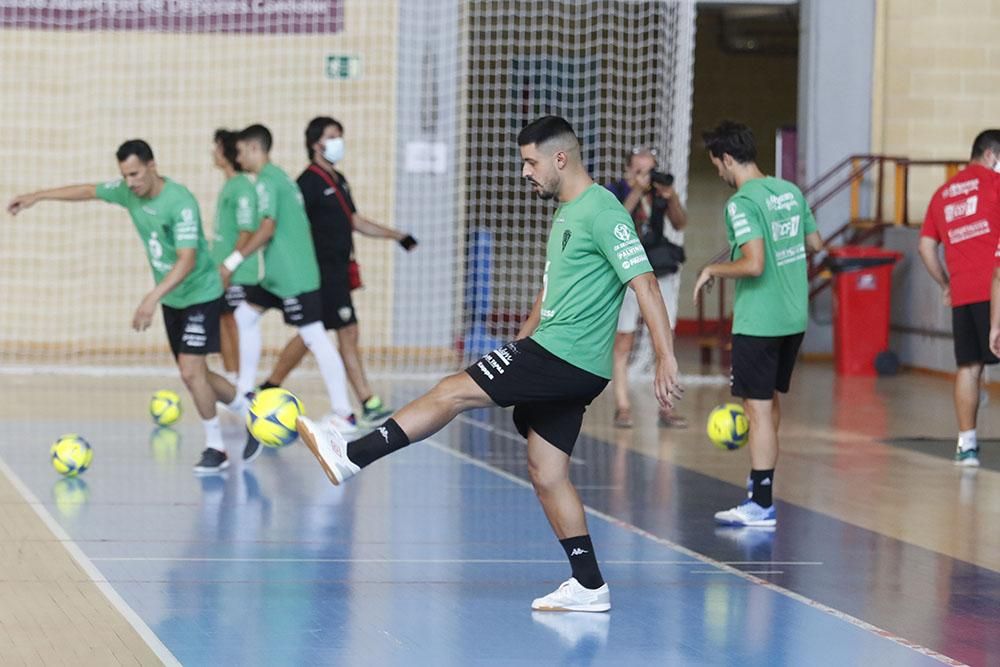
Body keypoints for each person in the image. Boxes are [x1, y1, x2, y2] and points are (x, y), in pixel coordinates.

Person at [296, 115, 683, 612]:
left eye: (530, 162)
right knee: (546, 472)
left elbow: (644, 283)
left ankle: (351, 456)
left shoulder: (602, 210)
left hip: (566, 356)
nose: (525, 172)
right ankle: (589, 585)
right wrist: (516, 345)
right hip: (560, 357)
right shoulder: (567, 211)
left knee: (451, 391)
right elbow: (550, 296)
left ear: (560, 158)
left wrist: (666, 357)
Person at [7, 140, 251, 473]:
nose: (131, 182)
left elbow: (187, 259)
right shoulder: (128, 193)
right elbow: (87, 190)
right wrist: (38, 196)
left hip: (200, 294)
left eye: (135, 174)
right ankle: (254, 414)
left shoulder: (179, 202)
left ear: (152, 166)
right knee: (200, 374)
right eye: (125, 176)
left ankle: (216, 448)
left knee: (190, 371)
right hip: (174, 299)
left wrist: (150, 297)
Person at [694, 121, 822, 528]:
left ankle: (762, 504)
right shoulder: (790, 192)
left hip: (760, 320)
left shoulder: (741, 203)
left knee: (757, 408)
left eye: (717, 165)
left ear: (728, 159)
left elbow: (754, 263)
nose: (718, 172)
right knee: (767, 403)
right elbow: (816, 245)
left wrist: (714, 268)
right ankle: (759, 484)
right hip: (793, 316)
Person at [258, 117, 417, 424]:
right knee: (346, 331)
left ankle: (268, 386)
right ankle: (367, 402)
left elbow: (354, 220)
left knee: (310, 332)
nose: (337, 142)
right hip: (321, 272)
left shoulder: (339, 179)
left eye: (340, 136)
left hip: (340, 269)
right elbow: (290, 226)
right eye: (332, 137)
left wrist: (397, 235)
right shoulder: (307, 183)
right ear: (316, 143)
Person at [221, 124, 358, 434]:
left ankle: (344, 413)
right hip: (276, 276)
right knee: (245, 315)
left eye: (241, 151)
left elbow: (267, 228)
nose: (238, 158)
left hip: (294, 276)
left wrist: (232, 261)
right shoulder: (280, 177)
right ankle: (244, 393)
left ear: (255, 149)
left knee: (314, 336)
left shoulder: (267, 182)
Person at [923, 129, 1000, 467]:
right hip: (996, 286)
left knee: (969, 367)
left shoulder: (942, 193)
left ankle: (966, 445)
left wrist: (946, 283)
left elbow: (926, 247)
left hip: (963, 293)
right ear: (991, 155)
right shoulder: (995, 185)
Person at [606, 148, 688, 429]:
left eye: (649, 171)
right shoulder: (616, 191)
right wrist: (636, 191)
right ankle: (622, 406)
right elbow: (614, 219)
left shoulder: (658, 193)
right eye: (640, 171)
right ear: (629, 171)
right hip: (628, 270)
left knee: (664, 338)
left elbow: (680, 222)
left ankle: (666, 407)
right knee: (624, 341)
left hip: (658, 270)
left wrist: (671, 195)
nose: (646, 177)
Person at [210, 129, 261, 378]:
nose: (213, 152)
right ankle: (231, 377)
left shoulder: (241, 187)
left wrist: (230, 265)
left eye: (216, 147)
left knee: (235, 323)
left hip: (239, 272)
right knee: (223, 322)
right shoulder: (229, 186)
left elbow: (247, 231)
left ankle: (244, 382)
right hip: (222, 270)